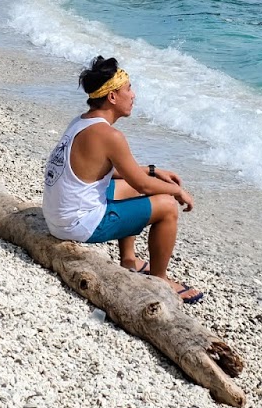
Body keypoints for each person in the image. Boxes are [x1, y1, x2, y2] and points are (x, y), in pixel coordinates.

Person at [42, 55, 203, 304]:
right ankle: (160, 278)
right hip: (77, 224)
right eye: (128, 89)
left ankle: (129, 260)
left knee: (129, 190)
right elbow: (143, 185)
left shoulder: (83, 122)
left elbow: (106, 171)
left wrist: (153, 170)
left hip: (59, 216)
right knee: (167, 206)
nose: (133, 95)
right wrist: (177, 192)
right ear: (112, 97)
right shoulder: (110, 135)